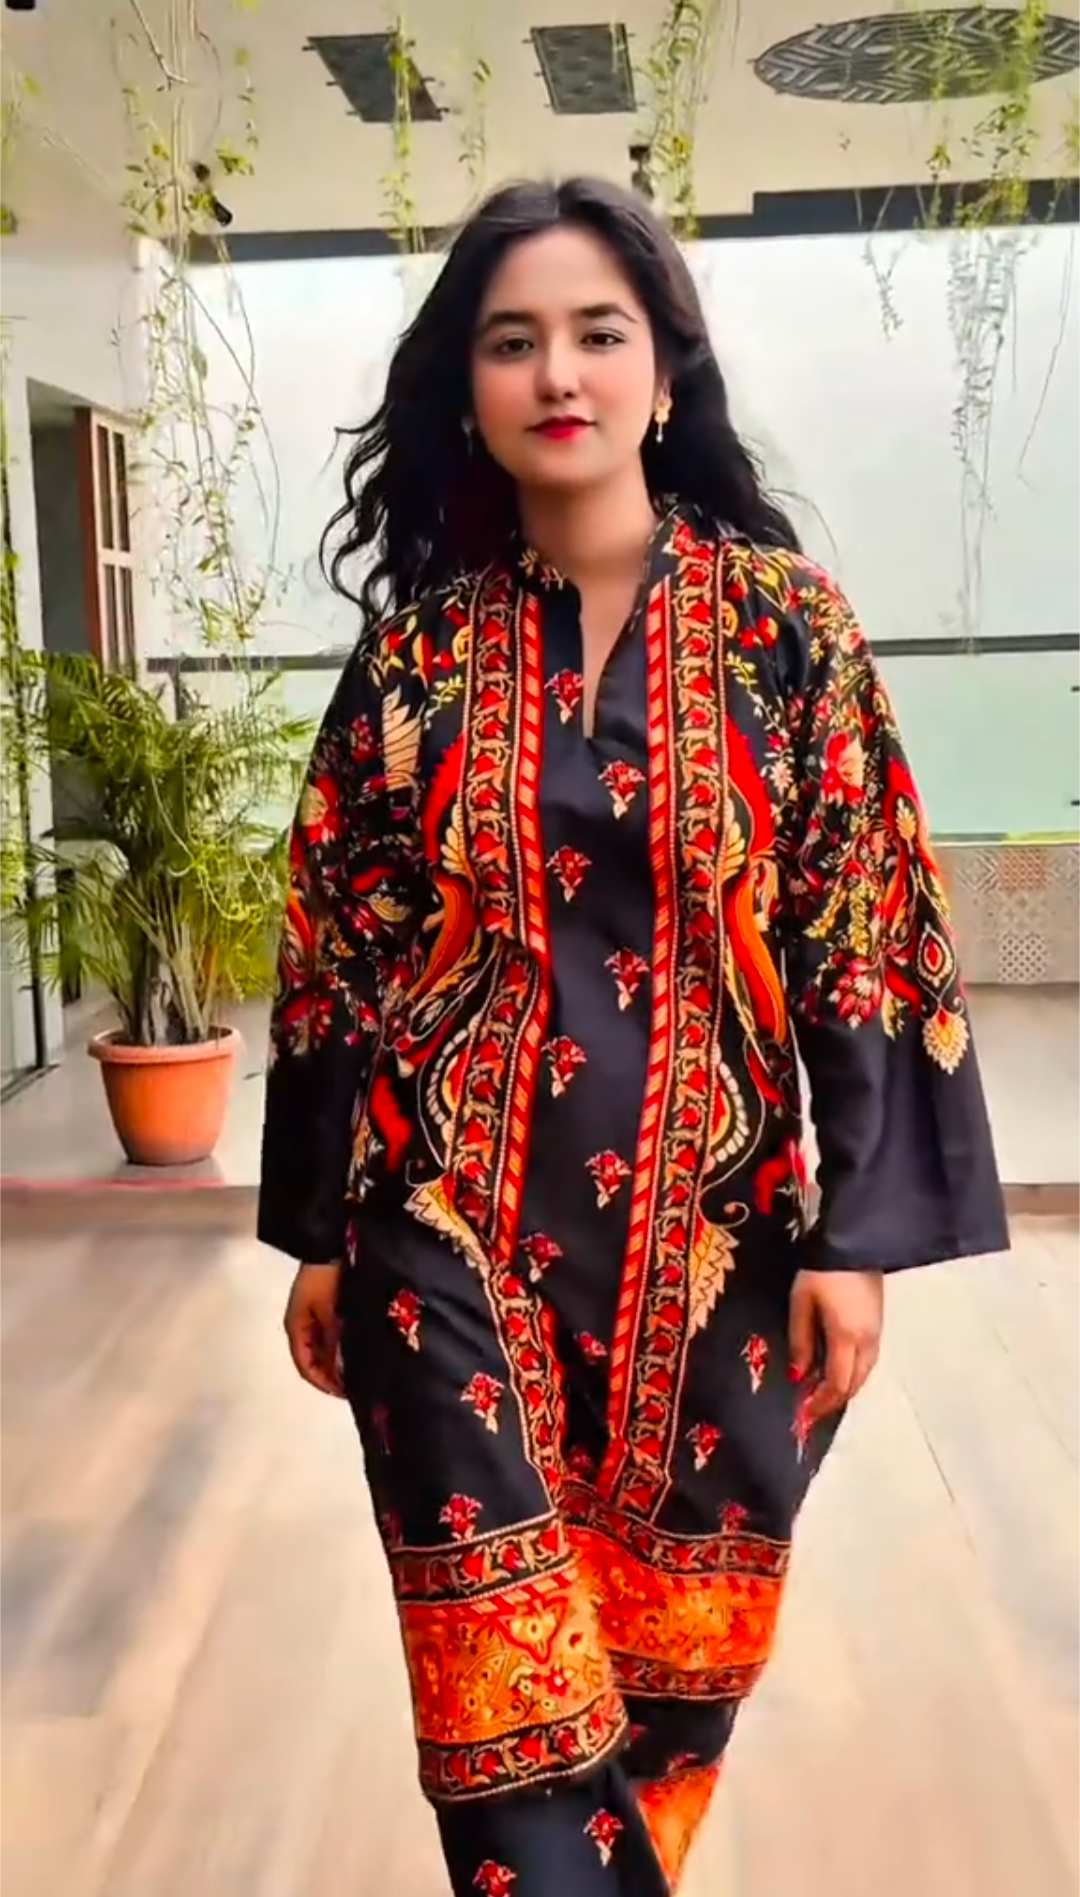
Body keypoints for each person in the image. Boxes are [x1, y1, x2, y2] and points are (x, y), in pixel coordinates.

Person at [257, 175, 1008, 1895]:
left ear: (665, 371)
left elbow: (862, 926)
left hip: (722, 1248)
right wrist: (318, 1233)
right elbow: (338, 950)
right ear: (468, 388)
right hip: (441, 1233)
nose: (557, 374)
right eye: (511, 341)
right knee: (498, 1705)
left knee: (672, 1694)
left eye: (598, 333)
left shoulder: (785, 631)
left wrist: (858, 1240)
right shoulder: (416, 663)